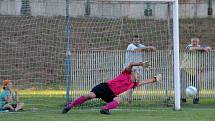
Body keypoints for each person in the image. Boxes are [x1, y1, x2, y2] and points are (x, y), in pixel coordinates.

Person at [62, 61, 161, 115]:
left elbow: (145, 82)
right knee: (90, 95)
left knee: (118, 99)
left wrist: (155, 79)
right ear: (133, 73)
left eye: (140, 76)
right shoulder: (126, 73)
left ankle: (104, 109)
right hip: (105, 87)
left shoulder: (133, 84)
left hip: (111, 94)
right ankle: (69, 106)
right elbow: (130, 64)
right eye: (138, 74)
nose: (139, 76)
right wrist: (140, 64)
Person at [125, 35, 156, 103]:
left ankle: (128, 98)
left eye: (138, 40)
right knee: (132, 83)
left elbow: (146, 49)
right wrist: (148, 47)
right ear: (132, 41)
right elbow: (137, 50)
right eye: (135, 40)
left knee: (135, 83)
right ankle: (128, 100)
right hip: (130, 67)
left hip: (138, 67)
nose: (136, 41)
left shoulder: (140, 45)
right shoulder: (131, 46)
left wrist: (151, 49)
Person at [181, 37, 211, 104]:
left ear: (198, 42)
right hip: (185, 68)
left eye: (196, 42)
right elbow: (192, 49)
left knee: (197, 84)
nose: (194, 43)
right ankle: (183, 99)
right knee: (183, 84)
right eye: (193, 42)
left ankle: (196, 99)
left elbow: (208, 49)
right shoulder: (188, 47)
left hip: (194, 69)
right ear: (191, 42)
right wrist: (204, 48)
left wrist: (207, 47)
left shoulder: (199, 48)